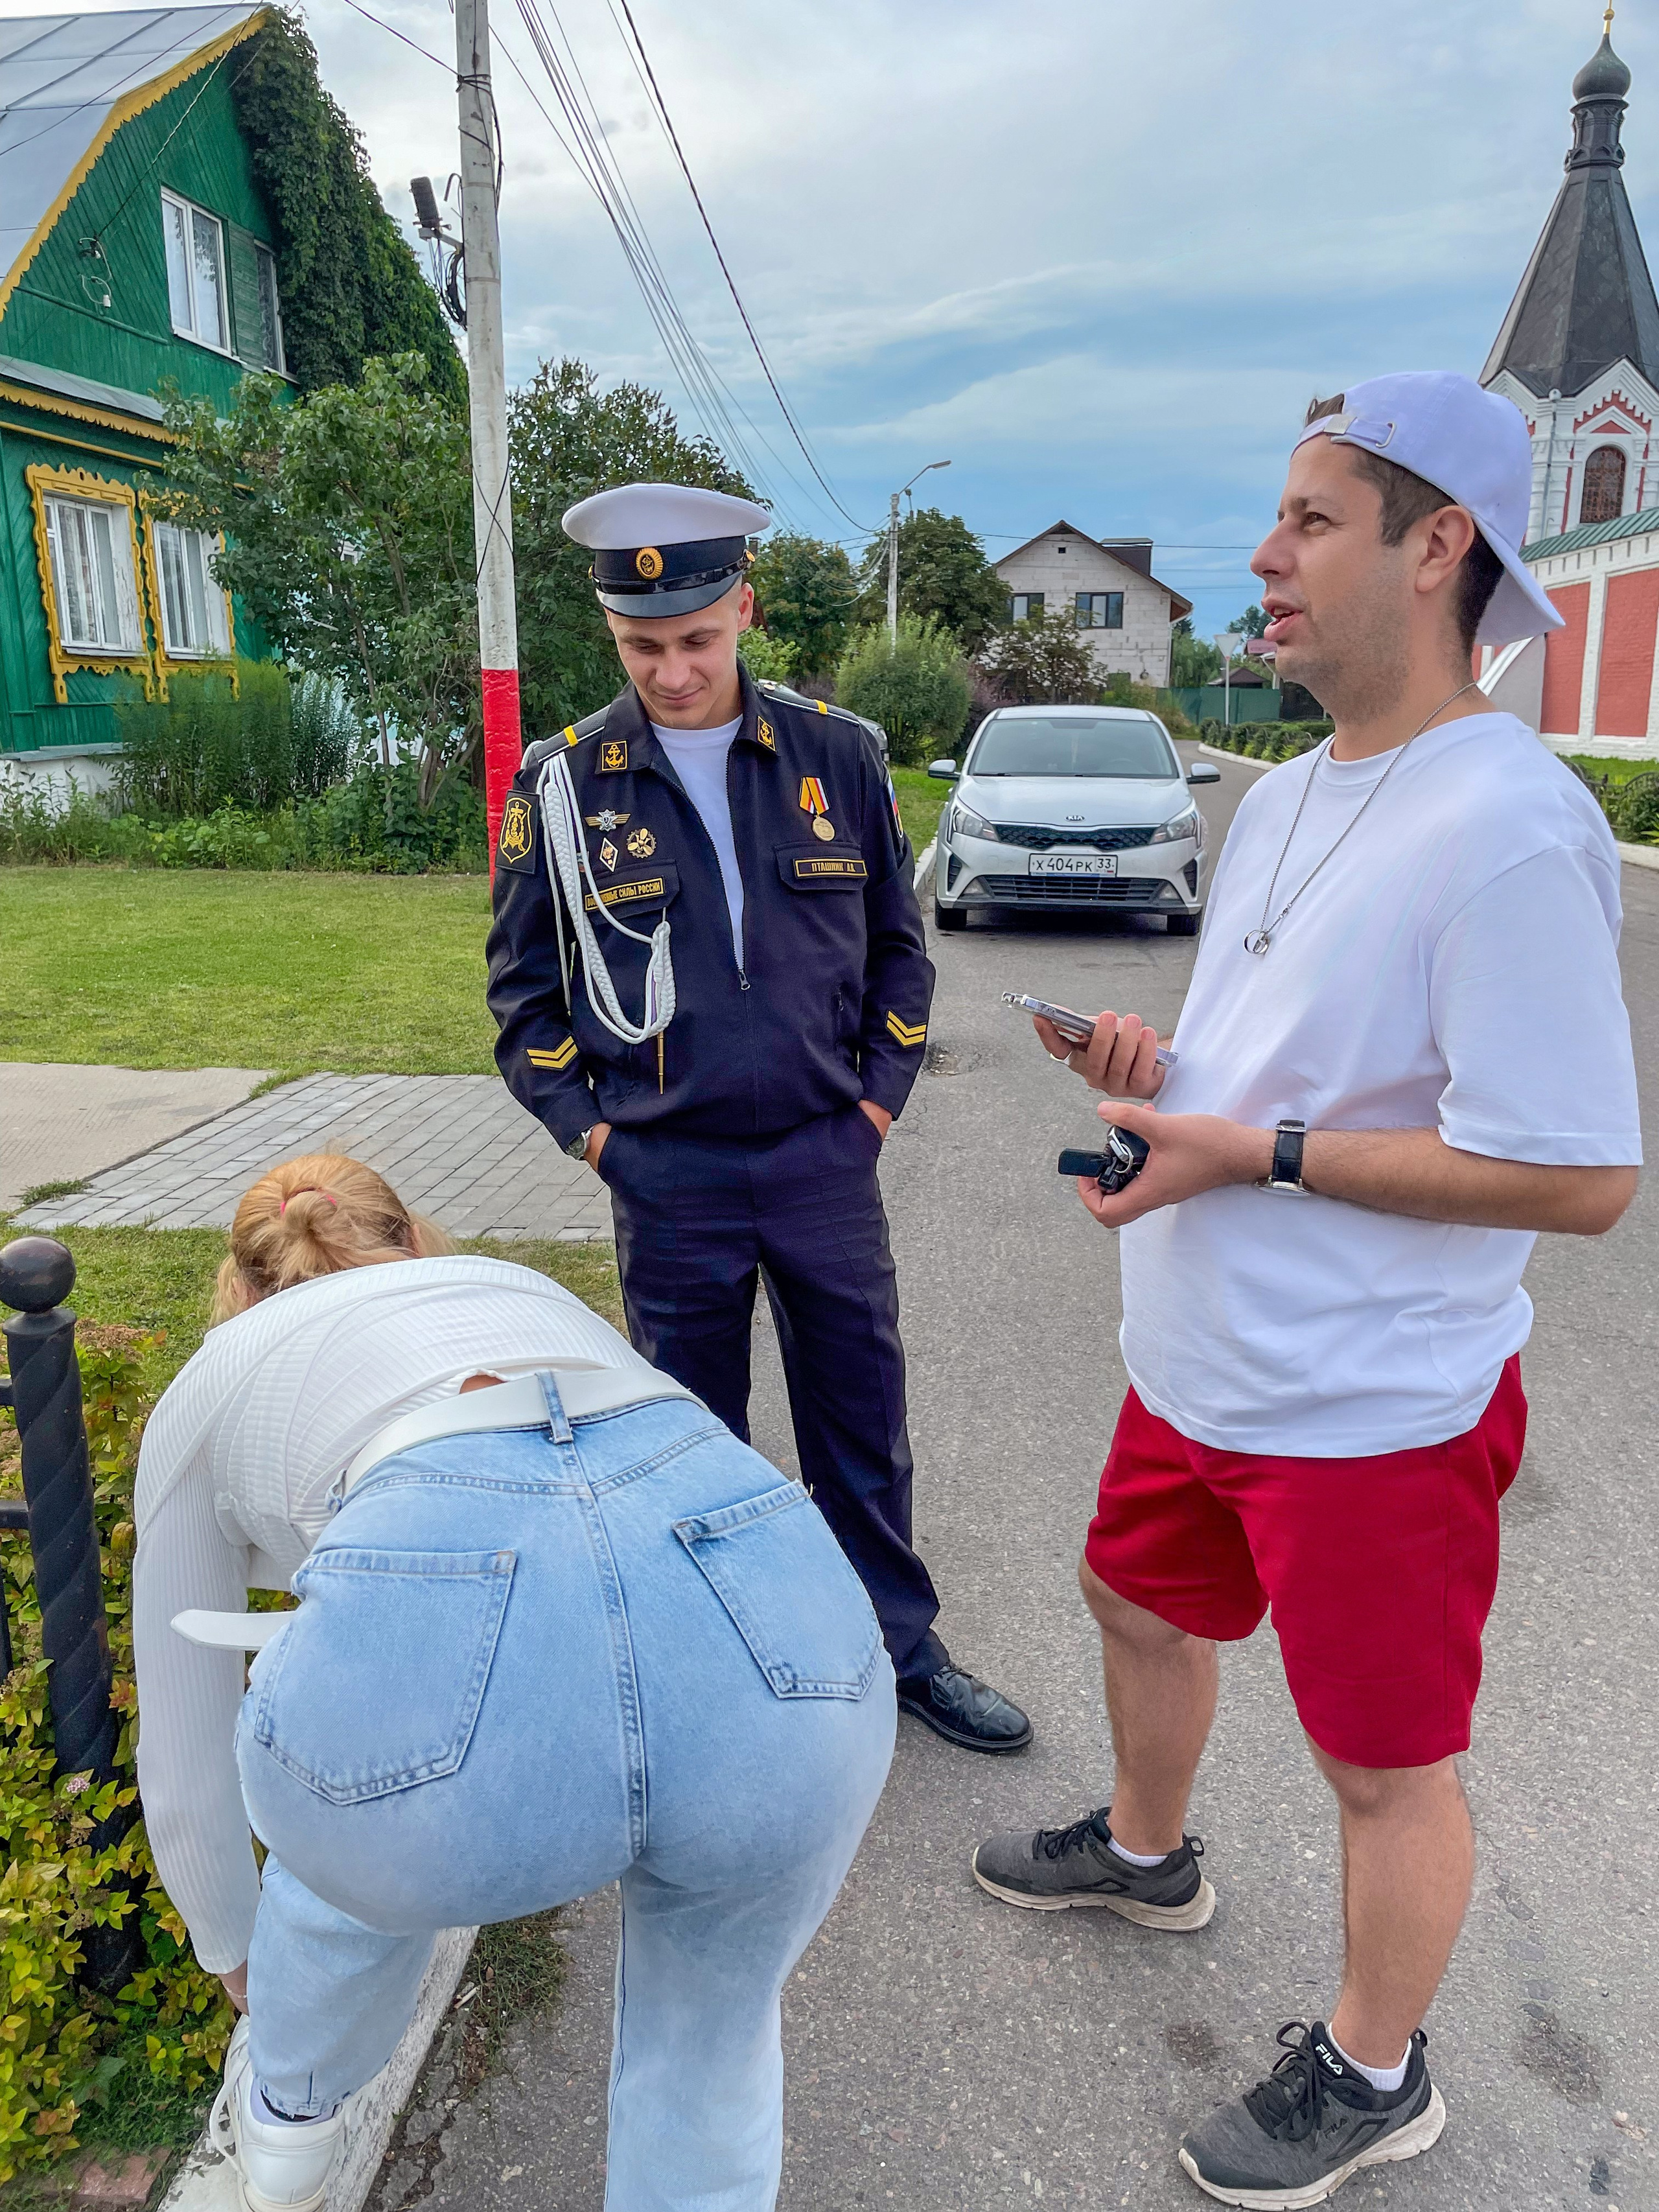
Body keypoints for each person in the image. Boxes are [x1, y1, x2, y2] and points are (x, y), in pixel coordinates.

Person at [971, 373, 1642, 2206]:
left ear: (1440, 548)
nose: (1261, 557)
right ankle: (1150, 1846)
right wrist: (1162, 1066)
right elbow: (1289, 1055)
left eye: (1310, 520)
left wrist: (1250, 1154)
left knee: (1380, 1763)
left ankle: (1375, 2062)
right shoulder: (1275, 798)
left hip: (1370, 1407)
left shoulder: (1510, 824)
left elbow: (1579, 1172)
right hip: (1198, 1362)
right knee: (1130, 1594)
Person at [132, 1153, 895, 2212]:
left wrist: (235, 1955)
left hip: (443, 1645)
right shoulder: (518, 1287)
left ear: (244, 1281)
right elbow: (597, 1545)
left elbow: (181, 1741)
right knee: (714, 2042)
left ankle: (283, 2133)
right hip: (777, 1595)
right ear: (409, 1234)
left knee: (344, 1788)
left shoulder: (215, 1377)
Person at [485, 482, 1029, 1755]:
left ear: (742, 609)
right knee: (687, 1441)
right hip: (664, 1173)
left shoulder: (838, 756)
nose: (673, 672)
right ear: (612, 633)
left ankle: (896, 1647)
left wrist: (874, 1111)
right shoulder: (563, 785)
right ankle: (711, 1670)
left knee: (860, 1420)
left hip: (820, 1163)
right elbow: (522, 997)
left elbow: (900, 952)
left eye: (695, 639)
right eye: (642, 647)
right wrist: (597, 1136)